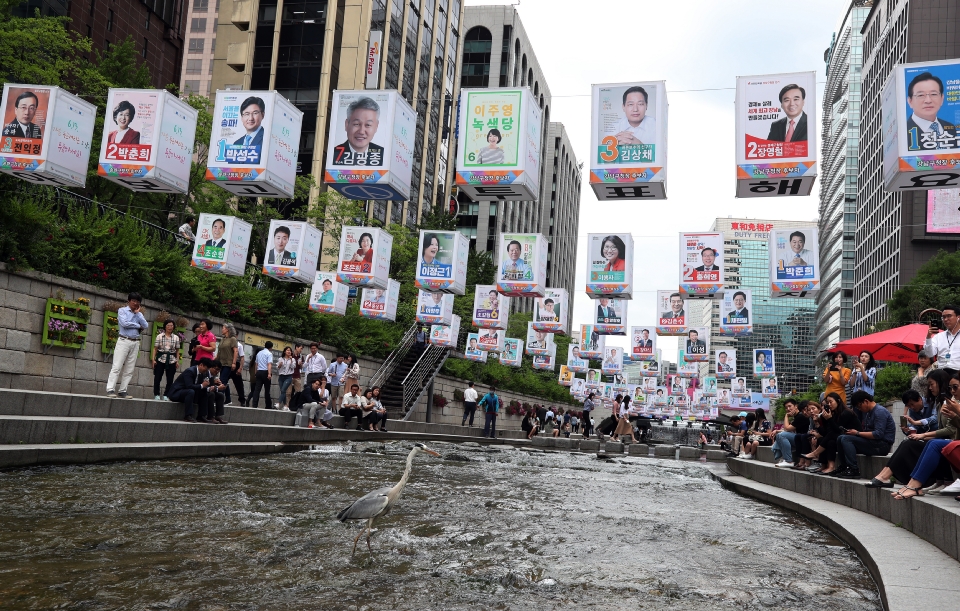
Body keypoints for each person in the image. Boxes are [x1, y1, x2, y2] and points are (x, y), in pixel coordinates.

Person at [866, 371, 960, 496]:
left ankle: (911, 483)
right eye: (950, 387)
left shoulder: (949, 403)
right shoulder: (940, 402)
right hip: (944, 440)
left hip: (948, 441)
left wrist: (922, 433)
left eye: (931, 384)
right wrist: (912, 431)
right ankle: (903, 481)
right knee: (910, 442)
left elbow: (949, 429)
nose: (930, 388)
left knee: (929, 444)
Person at [833, 391, 896, 479]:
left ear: (866, 401)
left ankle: (854, 469)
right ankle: (844, 466)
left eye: (859, 406)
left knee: (845, 439)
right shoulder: (868, 413)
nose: (859, 409)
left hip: (882, 445)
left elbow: (878, 434)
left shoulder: (879, 411)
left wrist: (857, 433)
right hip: (873, 443)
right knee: (840, 438)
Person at [106, 292, 149, 398]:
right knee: (117, 366)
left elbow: (146, 325)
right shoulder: (122, 310)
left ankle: (123, 390)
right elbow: (124, 324)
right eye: (133, 301)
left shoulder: (139, 314)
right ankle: (110, 389)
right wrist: (137, 325)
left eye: (138, 301)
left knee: (130, 369)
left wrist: (137, 314)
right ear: (129, 301)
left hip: (135, 342)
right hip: (123, 340)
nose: (135, 303)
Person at [905, 71, 958, 151]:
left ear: (942, 98)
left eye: (933, 94)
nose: (928, 100)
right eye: (921, 95)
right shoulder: (903, 133)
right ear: (910, 101)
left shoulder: (950, 128)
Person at [332, 96, 384, 165]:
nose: (361, 131)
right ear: (347, 125)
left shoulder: (383, 155)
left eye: (368, 125)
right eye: (356, 124)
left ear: (376, 126)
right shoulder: (334, 154)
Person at [168, 357, 214, 423]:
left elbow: (199, 387)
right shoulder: (190, 371)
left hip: (188, 394)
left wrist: (209, 388)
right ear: (201, 365)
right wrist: (202, 385)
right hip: (177, 393)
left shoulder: (202, 373)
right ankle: (188, 415)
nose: (206, 371)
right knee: (190, 391)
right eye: (205, 369)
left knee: (205, 393)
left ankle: (201, 416)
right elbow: (189, 386)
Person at [924, 305, 960, 373]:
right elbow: (929, 354)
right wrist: (928, 337)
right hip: (942, 373)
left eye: (949, 316)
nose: (946, 319)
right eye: (943, 317)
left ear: (958, 317)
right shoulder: (938, 337)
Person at [151, 320, 181, 401]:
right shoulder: (160, 336)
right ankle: (156, 394)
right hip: (161, 358)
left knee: (170, 378)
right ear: (165, 326)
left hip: (171, 359)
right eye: (168, 325)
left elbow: (177, 350)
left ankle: (166, 395)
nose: (170, 327)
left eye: (171, 325)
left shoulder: (176, 337)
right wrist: (153, 359)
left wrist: (177, 361)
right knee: (157, 377)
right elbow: (155, 349)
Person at [772, 398, 807, 467]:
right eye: (786, 407)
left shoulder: (800, 416)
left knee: (781, 436)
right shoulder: (797, 416)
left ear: (795, 406)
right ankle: (784, 458)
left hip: (803, 440)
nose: (788, 409)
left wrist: (786, 416)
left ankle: (788, 460)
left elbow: (787, 428)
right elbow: (790, 429)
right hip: (799, 439)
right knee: (779, 435)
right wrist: (777, 431)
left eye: (790, 406)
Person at [232, 96, 265, 161]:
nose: (250, 118)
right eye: (247, 114)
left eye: (255, 113)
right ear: (242, 117)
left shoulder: (266, 139)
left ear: (262, 115)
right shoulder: (237, 143)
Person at [216, 323, 239, 405]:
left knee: (222, 380)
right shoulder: (222, 339)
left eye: (223, 328)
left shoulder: (232, 339)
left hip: (228, 363)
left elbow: (235, 351)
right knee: (224, 381)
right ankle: (228, 399)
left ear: (227, 329)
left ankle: (219, 399)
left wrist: (234, 363)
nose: (222, 329)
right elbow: (219, 353)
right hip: (221, 363)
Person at [250, 341, 274, 409]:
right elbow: (269, 364)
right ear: (271, 347)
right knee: (267, 390)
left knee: (257, 389)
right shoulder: (269, 354)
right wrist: (269, 374)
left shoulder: (259, 353)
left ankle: (254, 404)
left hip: (259, 372)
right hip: (265, 372)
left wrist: (255, 373)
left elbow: (256, 364)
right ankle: (268, 406)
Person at [232, 337, 247, 407]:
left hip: (236, 365)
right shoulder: (226, 342)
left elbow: (242, 357)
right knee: (223, 381)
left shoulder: (239, 345)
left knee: (239, 384)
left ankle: (242, 400)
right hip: (227, 364)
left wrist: (240, 368)